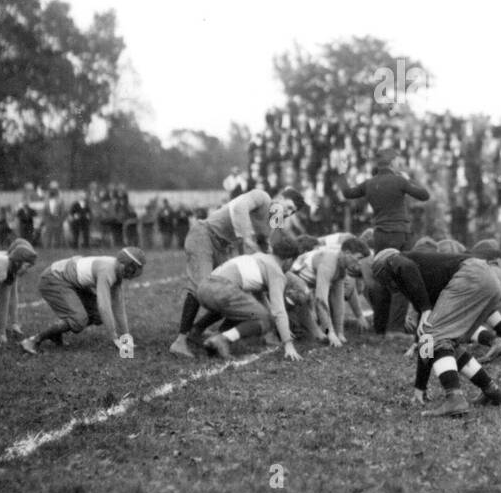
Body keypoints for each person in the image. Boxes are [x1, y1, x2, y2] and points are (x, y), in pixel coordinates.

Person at [368, 245, 501, 418]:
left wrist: (426, 309)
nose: (388, 286)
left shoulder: (396, 260)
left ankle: (454, 399)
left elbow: (406, 267)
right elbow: (425, 340)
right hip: (488, 280)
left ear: (384, 270)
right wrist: (419, 387)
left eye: (384, 280)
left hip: (472, 277)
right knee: (444, 343)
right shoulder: (422, 280)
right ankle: (493, 391)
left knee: (436, 338)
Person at [168, 187, 305, 357]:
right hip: (205, 234)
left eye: (292, 212)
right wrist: (246, 238)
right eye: (289, 207)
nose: (288, 213)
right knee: (202, 286)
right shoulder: (263, 198)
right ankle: (180, 341)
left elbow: (269, 258)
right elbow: (240, 207)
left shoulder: (274, 224)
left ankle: (197, 331)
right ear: (280, 197)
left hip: (225, 246)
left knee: (232, 290)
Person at [337, 149, 430, 334]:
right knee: (402, 279)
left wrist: (341, 173)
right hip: (401, 233)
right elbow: (424, 195)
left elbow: (347, 192)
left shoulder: (370, 183)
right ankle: (395, 330)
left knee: (382, 280)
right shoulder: (399, 180)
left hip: (381, 235)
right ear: (393, 162)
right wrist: (408, 179)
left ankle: (381, 327)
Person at [197, 233, 305, 362]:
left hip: (204, 288)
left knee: (250, 309)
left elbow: (258, 297)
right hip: (222, 291)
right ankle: (222, 339)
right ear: (289, 260)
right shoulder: (276, 272)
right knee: (263, 319)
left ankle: (196, 331)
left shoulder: (260, 257)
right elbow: (278, 310)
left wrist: (282, 327)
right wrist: (288, 343)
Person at [21, 247, 145, 356]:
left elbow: (118, 308)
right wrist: (114, 338)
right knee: (79, 319)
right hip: (54, 279)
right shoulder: (107, 271)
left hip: (70, 281)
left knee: (97, 315)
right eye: (133, 270)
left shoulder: (116, 271)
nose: (131, 276)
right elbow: (104, 306)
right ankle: (34, 340)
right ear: (126, 266)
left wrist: (126, 339)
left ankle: (55, 334)